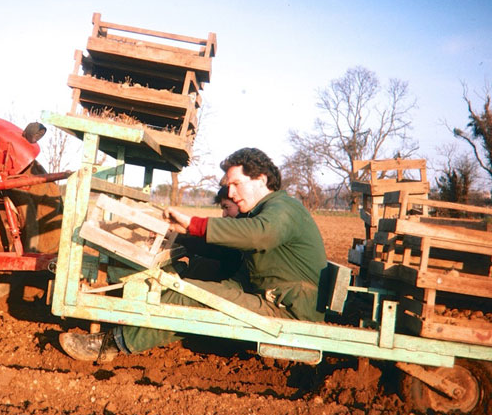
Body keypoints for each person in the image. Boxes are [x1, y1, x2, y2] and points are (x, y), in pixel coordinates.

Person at [59, 147, 328, 363]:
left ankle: (109, 344)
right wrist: (182, 235)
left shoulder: (283, 209)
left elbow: (259, 234)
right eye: (229, 185)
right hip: (270, 295)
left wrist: (193, 224)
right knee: (186, 288)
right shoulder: (267, 210)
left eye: (236, 184)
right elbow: (229, 248)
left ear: (261, 179)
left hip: (288, 308)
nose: (230, 192)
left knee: (186, 295)